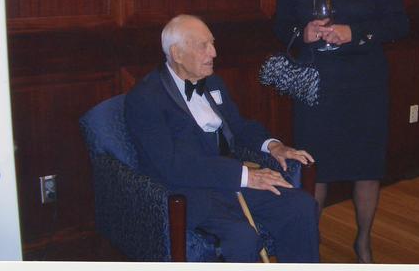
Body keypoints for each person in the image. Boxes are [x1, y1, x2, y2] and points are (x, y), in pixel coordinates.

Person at [273, 0, 409, 263]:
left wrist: (355, 33)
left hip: (364, 84)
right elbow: (280, 26)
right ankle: (308, 245)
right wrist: (304, 34)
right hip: (316, 87)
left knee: (366, 168)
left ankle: (363, 241)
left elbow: (399, 23)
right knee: (315, 167)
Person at [124, 14, 319, 263]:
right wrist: (245, 176)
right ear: (177, 53)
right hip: (189, 191)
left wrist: (274, 145)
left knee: (301, 207)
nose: (214, 52)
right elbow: (172, 165)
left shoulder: (213, 82)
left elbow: (238, 126)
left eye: (212, 43)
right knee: (242, 238)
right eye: (203, 46)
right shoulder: (145, 99)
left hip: (230, 179)